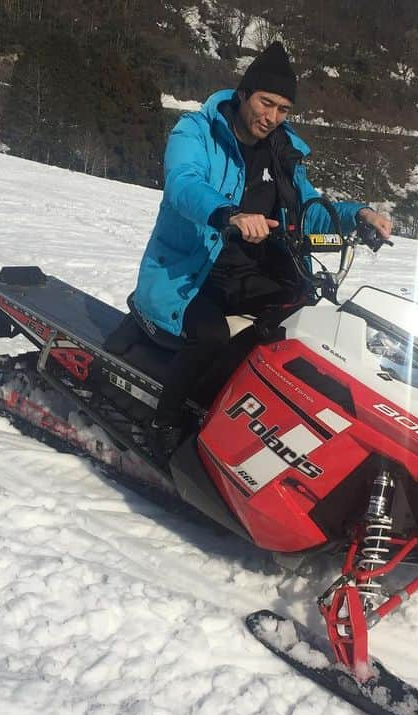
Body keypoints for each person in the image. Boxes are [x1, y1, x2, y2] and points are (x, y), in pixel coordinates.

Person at [131, 42, 392, 452]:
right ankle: (164, 426)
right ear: (242, 95)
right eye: (265, 103)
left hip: (248, 272)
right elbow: (183, 183)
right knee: (211, 336)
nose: (271, 118)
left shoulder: (282, 153)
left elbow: (309, 210)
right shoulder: (196, 132)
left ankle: (249, 414)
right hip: (189, 273)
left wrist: (359, 215)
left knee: (302, 320)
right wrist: (227, 214)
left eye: (283, 110)